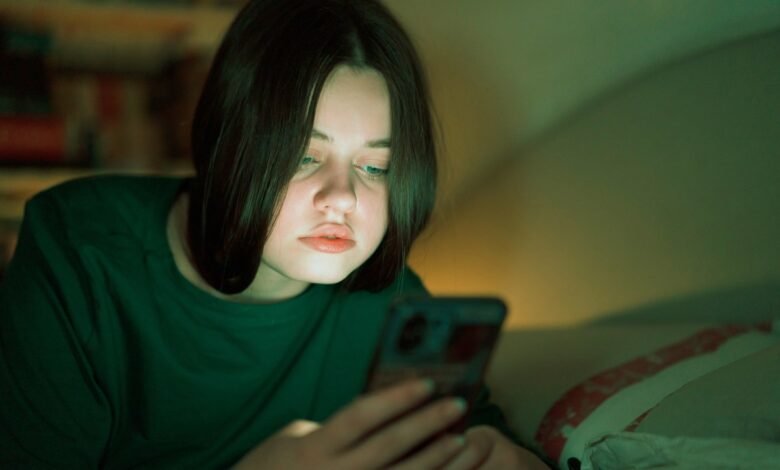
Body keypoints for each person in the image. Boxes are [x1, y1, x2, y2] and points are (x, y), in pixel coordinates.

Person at [0, 1, 548, 468]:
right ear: (228, 142)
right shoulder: (77, 250)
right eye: (304, 156)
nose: (344, 197)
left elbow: (490, 442)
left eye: (375, 167)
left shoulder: (398, 307)